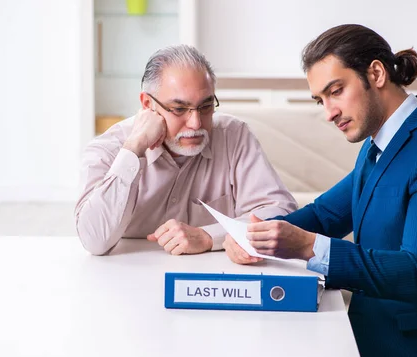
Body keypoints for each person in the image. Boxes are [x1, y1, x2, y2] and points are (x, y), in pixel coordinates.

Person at [223, 24, 417, 357]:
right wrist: (251, 234)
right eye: (319, 100)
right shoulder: (381, 144)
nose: (329, 112)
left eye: (336, 91)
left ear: (376, 73)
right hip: (379, 344)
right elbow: (325, 215)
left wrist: (309, 248)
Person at [75, 44, 296, 256]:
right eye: (179, 109)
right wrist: (134, 148)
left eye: (206, 106)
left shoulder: (233, 136)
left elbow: (279, 214)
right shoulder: (108, 149)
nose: (196, 123)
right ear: (147, 104)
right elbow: (94, 241)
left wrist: (208, 236)